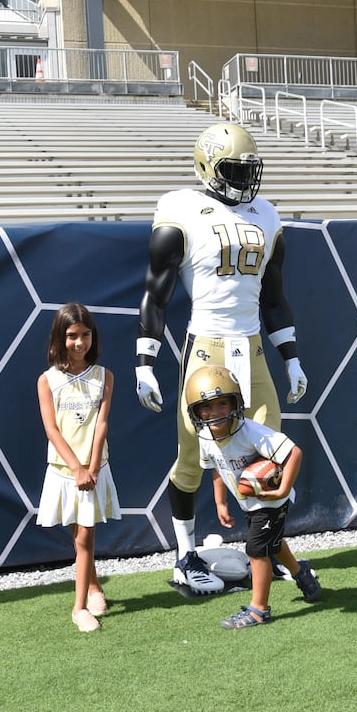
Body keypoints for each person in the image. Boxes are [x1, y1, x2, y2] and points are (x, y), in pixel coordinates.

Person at [136, 122, 309, 597]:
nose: (244, 179)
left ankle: (267, 549)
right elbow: (157, 290)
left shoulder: (267, 215)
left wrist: (290, 357)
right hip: (207, 346)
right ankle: (185, 556)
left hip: (251, 347)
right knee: (191, 456)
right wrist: (144, 361)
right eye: (233, 169)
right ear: (207, 166)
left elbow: (274, 297)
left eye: (248, 169)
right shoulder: (181, 207)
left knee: (268, 454)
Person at [184, 366, 321, 629]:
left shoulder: (251, 432)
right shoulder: (205, 437)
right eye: (207, 407)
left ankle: (259, 609)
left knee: (257, 550)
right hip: (249, 502)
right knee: (273, 543)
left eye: (222, 403)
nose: (214, 413)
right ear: (195, 411)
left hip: (270, 501)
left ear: (236, 402)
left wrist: (281, 491)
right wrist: (220, 501)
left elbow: (294, 453)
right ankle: (301, 574)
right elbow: (214, 467)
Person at [36, 302, 119, 632]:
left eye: (85, 335)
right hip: (64, 471)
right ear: (60, 337)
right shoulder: (47, 380)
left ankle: (81, 604)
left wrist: (93, 466)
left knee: (85, 535)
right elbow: (51, 429)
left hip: (94, 469)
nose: (79, 343)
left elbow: (101, 423)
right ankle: (89, 594)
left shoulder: (105, 376)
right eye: (72, 336)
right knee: (80, 534)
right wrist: (76, 468)